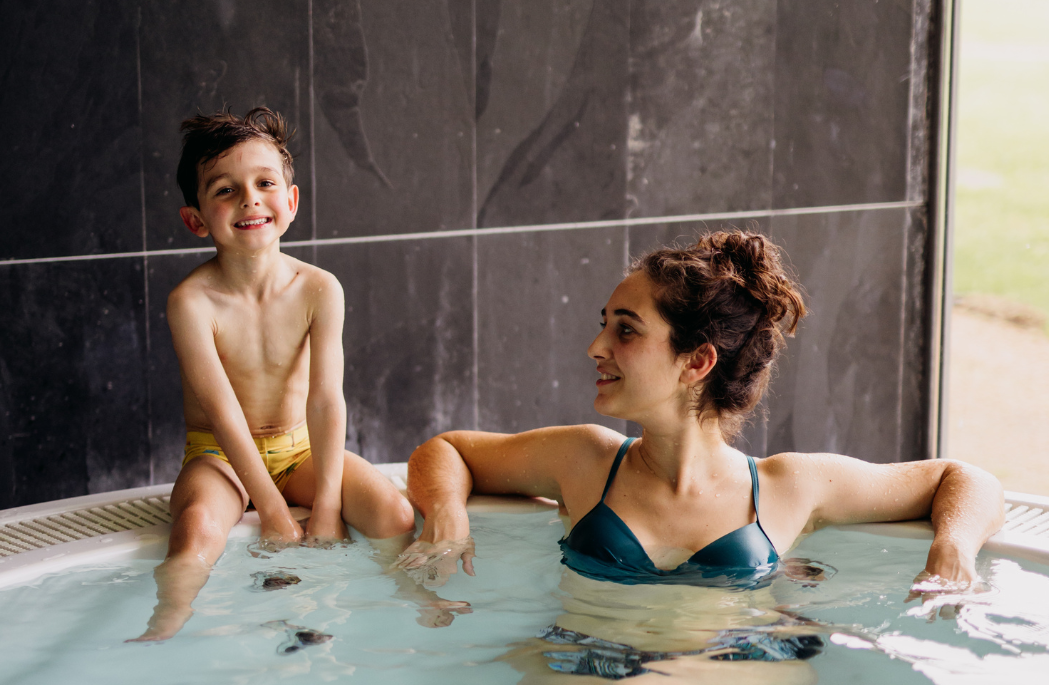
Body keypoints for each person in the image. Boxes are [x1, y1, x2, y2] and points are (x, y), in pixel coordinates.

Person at [398, 229, 1004, 592]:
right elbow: (444, 450)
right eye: (603, 325)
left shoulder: (788, 488)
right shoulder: (583, 461)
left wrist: (953, 546)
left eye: (626, 331)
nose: (596, 348)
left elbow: (966, 480)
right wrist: (447, 512)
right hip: (597, 676)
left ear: (697, 363)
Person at [130, 108, 415, 642]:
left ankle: (407, 603)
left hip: (301, 450)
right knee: (194, 536)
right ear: (195, 219)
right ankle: (164, 626)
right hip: (219, 456)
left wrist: (326, 507)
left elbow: (328, 400)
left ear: (291, 202)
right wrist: (273, 511)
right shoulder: (191, 302)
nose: (249, 199)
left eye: (264, 183)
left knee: (394, 516)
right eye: (225, 190)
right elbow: (222, 414)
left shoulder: (319, 288)